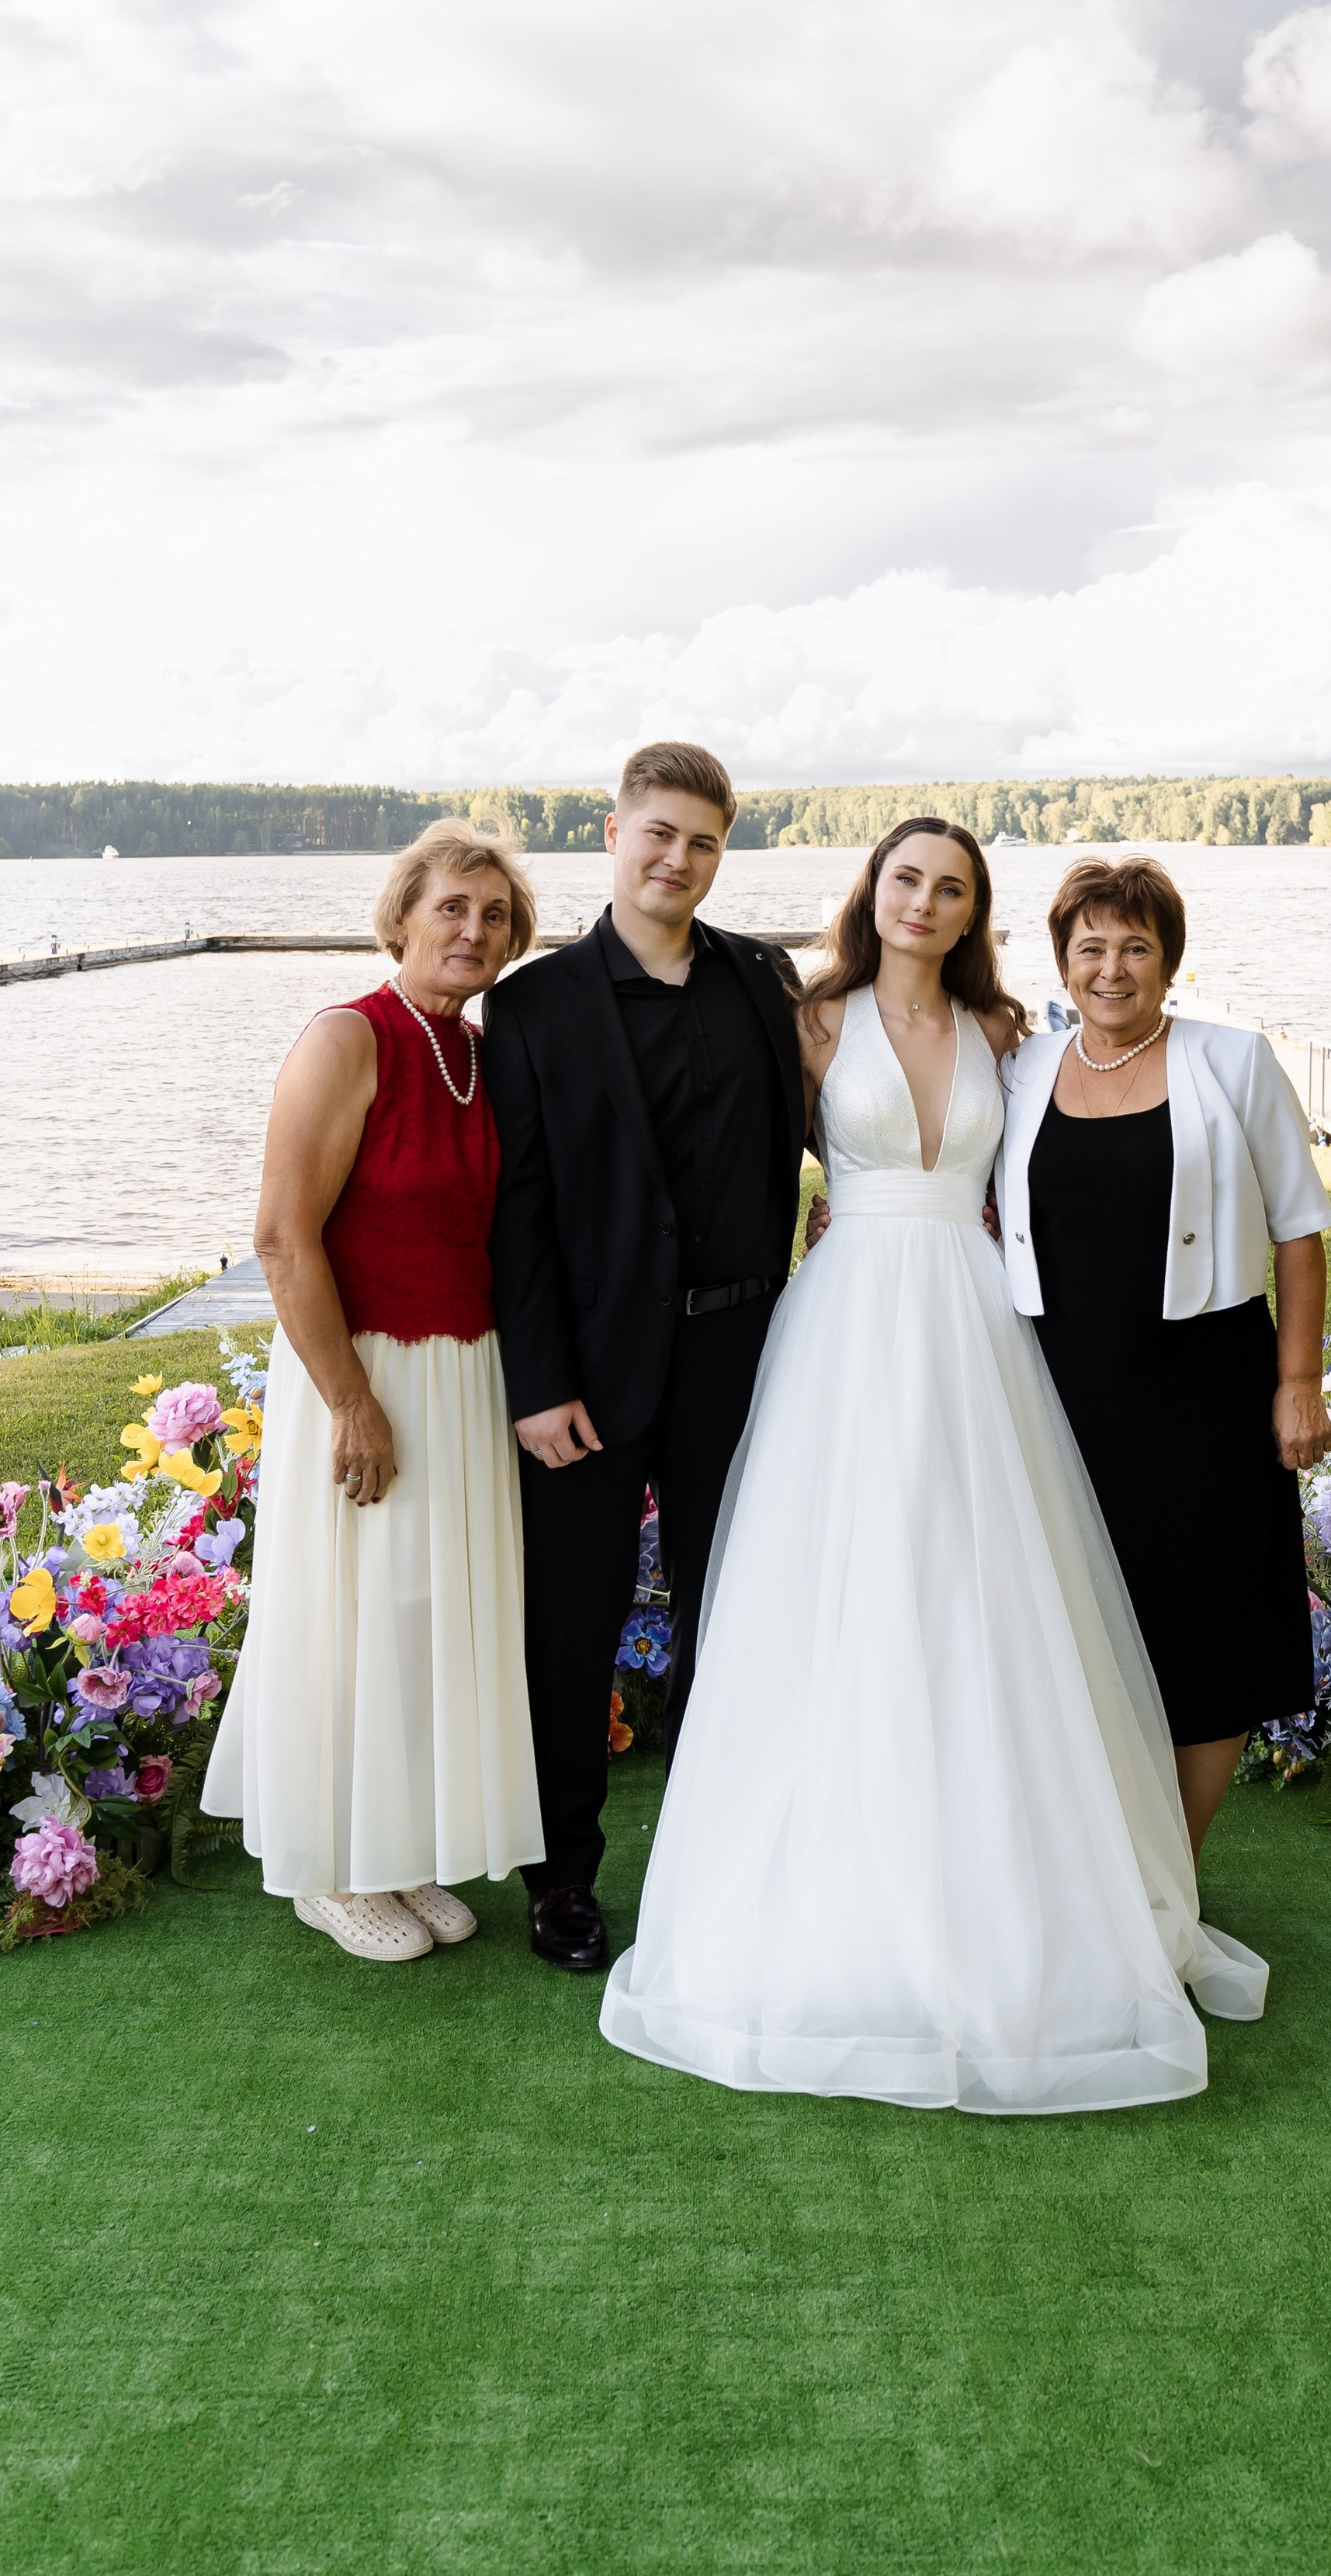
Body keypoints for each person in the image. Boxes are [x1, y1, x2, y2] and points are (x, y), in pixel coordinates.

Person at [599, 818, 1266, 2118]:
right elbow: (739, 1164)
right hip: (845, 1321)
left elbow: (1054, 1175)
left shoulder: (1004, 1034)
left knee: (981, 1587)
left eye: (951, 888)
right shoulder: (809, 1020)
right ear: (875, 892)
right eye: (906, 878)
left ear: (973, 914)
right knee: (840, 1582)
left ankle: (1010, 1870)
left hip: (974, 1321)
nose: (924, 900)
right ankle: (837, 1873)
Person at [482, 742, 807, 1975]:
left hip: (744, 1354)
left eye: (703, 841)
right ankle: (561, 1878)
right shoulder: (533, 1005)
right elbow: (517, 1213)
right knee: (572, 1627)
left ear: (723, 854)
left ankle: (723, 1861)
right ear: (613, 835)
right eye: (658, 833)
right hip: (588, 1371)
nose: (679, 858)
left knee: (736, 1611)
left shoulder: (764, 981)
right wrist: (537, 1382)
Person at [203, 823, 545, 1963]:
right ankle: (330, 1867)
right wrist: (352, 1402)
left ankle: (395, 1848)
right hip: (364, 1372)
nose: (474, 930)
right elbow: (281, 1237)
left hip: (463, 1373)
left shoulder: (481, 1054)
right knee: (352, 1615)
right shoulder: (348, 1038)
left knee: (423, 1616)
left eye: (495, 916)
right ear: (401, 917)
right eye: (452, 907)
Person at [994, 855, 1331, 1862]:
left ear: (1169, 963)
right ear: (1062, 961)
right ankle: (1088, 1862)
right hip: (1060, 1388)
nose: (1111, 969)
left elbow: (1300, 1230)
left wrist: (1298, 1383)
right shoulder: (1021, 1070)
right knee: (1074, 1627)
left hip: (1206, 1387)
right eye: (1090, 947)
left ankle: (1167, 1877)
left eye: (1135, 948)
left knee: (1206, 1628)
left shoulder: (1234, 1061)